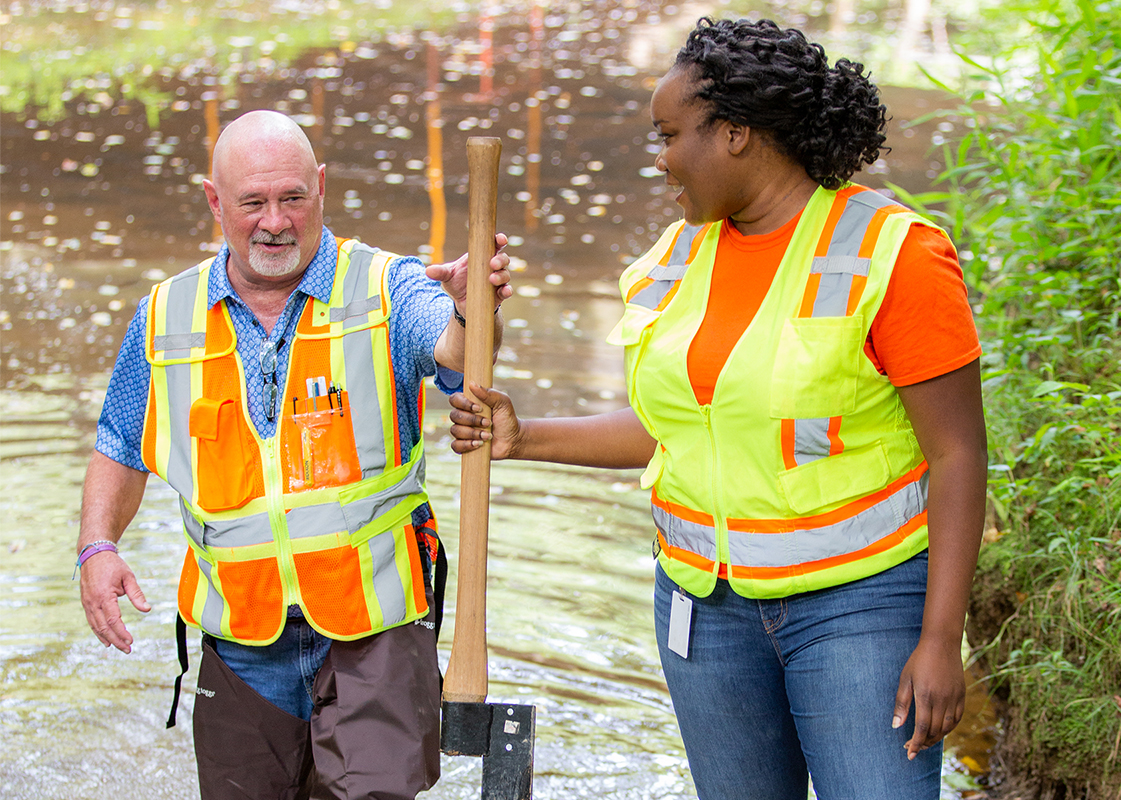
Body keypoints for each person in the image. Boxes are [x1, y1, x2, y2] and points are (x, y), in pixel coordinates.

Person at [448, 17, 987, 800]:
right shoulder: (673, 261)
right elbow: (676, 429)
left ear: (736, 133)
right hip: (705, 615)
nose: (661, 160)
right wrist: (524, 435)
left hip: (857, 609)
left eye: (669, 136)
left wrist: (941, 639)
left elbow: (958, 455)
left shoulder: (893, 253)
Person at [76, 109, 512, 800]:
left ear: (322, 188)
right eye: (252, 203)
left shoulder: (385, 287)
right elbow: (121, 443)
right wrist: (97, 547)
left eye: (292, 198)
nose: (274, 222)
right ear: (216, 203)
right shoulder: (164, 316)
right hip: (242, 644)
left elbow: (456, 352)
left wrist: (468, 309)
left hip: (375, 630)